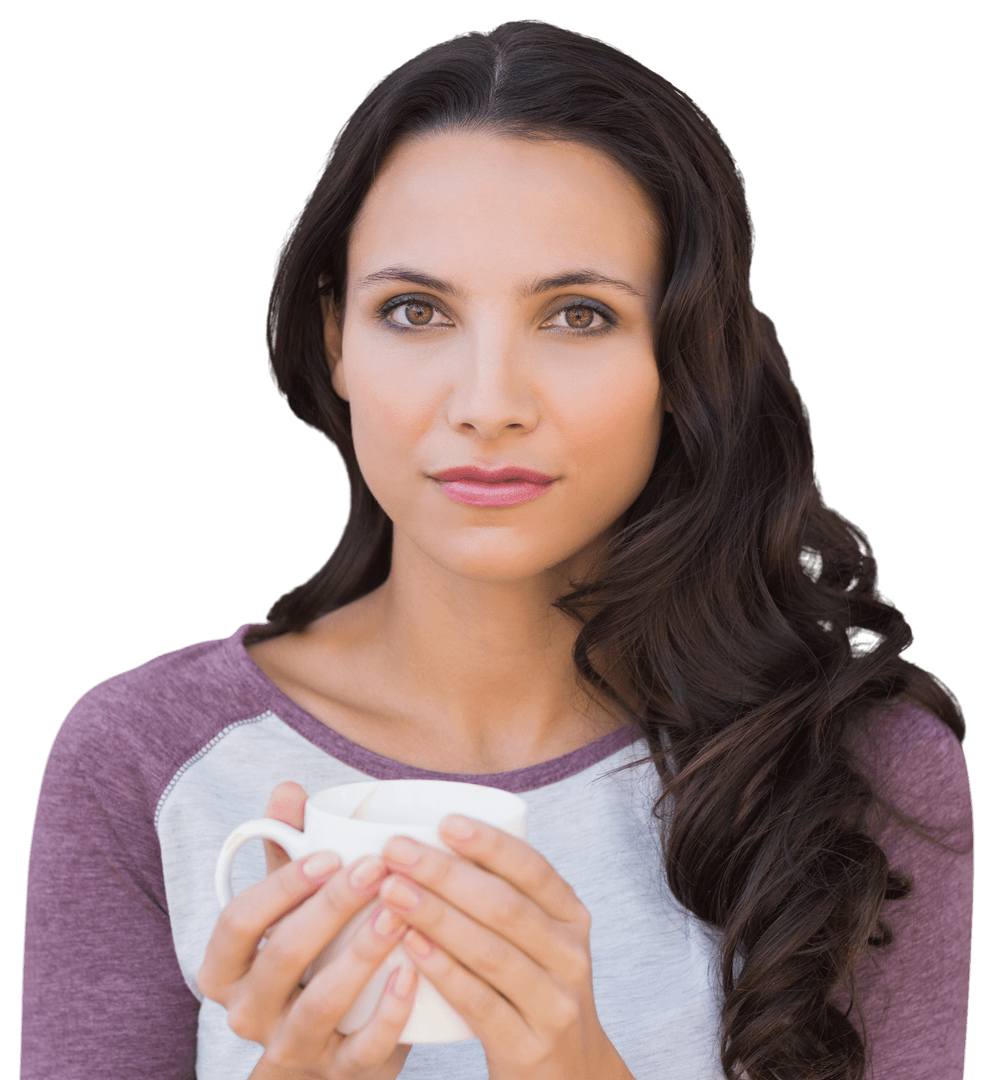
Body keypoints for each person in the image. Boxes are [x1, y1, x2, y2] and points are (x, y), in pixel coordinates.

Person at [20, 19, 972, 1080]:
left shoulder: (858, 772)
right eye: (414, 310)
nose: (487, 404)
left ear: (682, 355)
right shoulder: (143, 758)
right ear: (335, 338)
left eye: (577, 315)